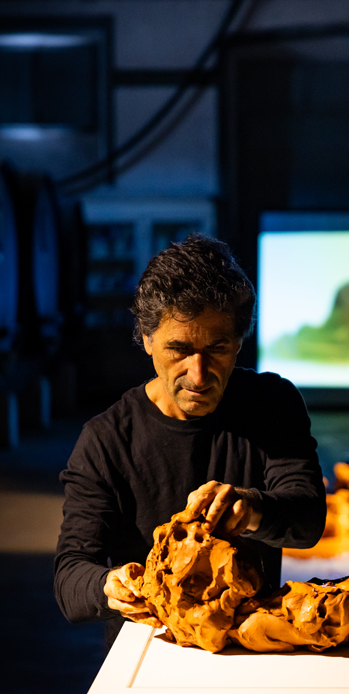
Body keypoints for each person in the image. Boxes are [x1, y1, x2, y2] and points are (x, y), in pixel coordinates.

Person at [55, 234, 326, 646]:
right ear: (147, 338)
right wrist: (109, 585)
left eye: (217, 349)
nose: (198, 375)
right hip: (150, 646)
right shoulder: (106, 440)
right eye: (179, 350)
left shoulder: (272, 404)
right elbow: (71, 577)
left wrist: (251, 508)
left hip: (251, 644)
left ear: (239, 341)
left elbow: (307, 520)